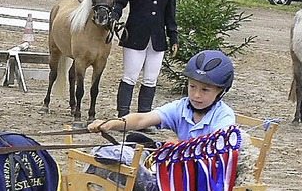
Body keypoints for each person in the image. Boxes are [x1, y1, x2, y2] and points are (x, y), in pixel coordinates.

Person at [88, 50, 235, 141]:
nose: (196, 95)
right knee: (135, 140)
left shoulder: (224, 116)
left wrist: (181, 146)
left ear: (220, 91)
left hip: (208, 176)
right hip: (183, 166)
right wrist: (110, 124)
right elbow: (142, 119)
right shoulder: (181, 107)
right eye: (192, 86)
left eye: (205, 90)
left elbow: (218, 144)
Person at [112, 0, 179, 119]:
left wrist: (173, 35)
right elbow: (121, 0)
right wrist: (114, 16)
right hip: (135, 35)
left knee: (150, 79)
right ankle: (123, 116)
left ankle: (143, 118)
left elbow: (170, 10)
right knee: (130, 77)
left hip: (157, 37)